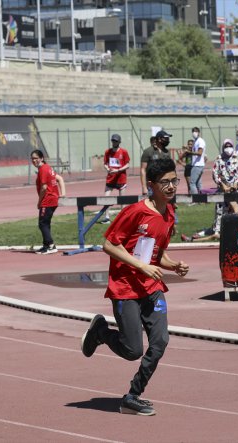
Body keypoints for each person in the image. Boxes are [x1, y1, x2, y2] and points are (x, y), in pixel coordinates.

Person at [80, 157, 189, 416]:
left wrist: (173, 265)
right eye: (165, 183)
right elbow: (109, 245)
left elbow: (155, 254)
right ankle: (101, 333)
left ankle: (133, 395)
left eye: (174, 181)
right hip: (125, 287)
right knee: (132, 350)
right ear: (151, 185)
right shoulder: (135, 212)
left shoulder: (170, 214)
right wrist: (140, 267)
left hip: (151, 287)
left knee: (160, 341)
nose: (171, 187)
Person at [181, 139, 238, 243]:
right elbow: (215, 173)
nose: (228, 148)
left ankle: (196, 238)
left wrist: (235, 185)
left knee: (236, 213)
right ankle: (204, 235)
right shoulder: (219, 158)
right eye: (226, 146)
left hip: (236, 190)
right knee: (220, 216)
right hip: (223, 190)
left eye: (229, 146)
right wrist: (223, 185)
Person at [31, 150, 66, 254]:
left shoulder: (43, 169)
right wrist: (62, 194)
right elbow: (60, 178)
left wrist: (39, 202)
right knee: (46, 223)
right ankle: (46, 245)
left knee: (42, 224)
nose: (34, 160)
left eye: (36, 158)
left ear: (41, 158)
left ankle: (51, 245)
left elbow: (44, 188)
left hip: (48, 200)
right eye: (32, 158)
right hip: (52, 199)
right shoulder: (48, 168)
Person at [100, 133, 130, 224]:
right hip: (110, 179)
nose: (114, 142)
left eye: (116, 141)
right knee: (106, 198)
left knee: (122, 200)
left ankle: (123, 218)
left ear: (119, 142)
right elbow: (105, 163)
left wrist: (118, 170)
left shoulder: (123, 152)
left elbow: (127, 165)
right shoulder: (107, 152)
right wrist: (107, 168)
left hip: (121, 178)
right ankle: (107, 217)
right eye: (113, 140)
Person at [140, 131, 172, 195]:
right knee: (151, 203)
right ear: (159, 139)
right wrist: (144, 187)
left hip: (164, 183)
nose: (168, 140)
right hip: (151, 184)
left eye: (168, 138)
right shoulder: (148, 151)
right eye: (166, 138)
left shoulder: (167, 152)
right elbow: (143, 169)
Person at [188, 127, 207, 196]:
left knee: (192, 183)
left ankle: (195, 200)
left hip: (197, 165)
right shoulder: (196, 141)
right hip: (198, 165)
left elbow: (199, 153)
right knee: (198, 183)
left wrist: (190, 152)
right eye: (193, 131)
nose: (194, 133)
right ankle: (202, 199)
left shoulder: (200, 141)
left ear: (199, 132)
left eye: (195, 131)